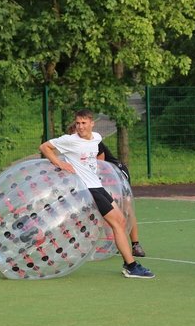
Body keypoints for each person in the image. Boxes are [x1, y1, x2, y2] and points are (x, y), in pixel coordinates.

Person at [39, 109, 155, 279]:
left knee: (121, 220)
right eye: (78, 123)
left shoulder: (97, 138)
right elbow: (45, 147)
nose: (80, 127)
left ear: (92, 123)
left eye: (84, 123)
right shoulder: (69, 140)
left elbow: (97, 158)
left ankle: (128, 263)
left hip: (98, 186)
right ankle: (131, 265)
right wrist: (60, 164)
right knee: (117, 223)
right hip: (88, 189)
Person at [97, 141, 146, 257]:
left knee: (126, 208)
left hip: (115, 173)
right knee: (106, 209)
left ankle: (135, 245)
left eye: (83, 123)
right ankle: (112, 242)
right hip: (99, 176)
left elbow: (100, 164)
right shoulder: (73, 143)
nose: (80, 128)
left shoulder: (94, 141)